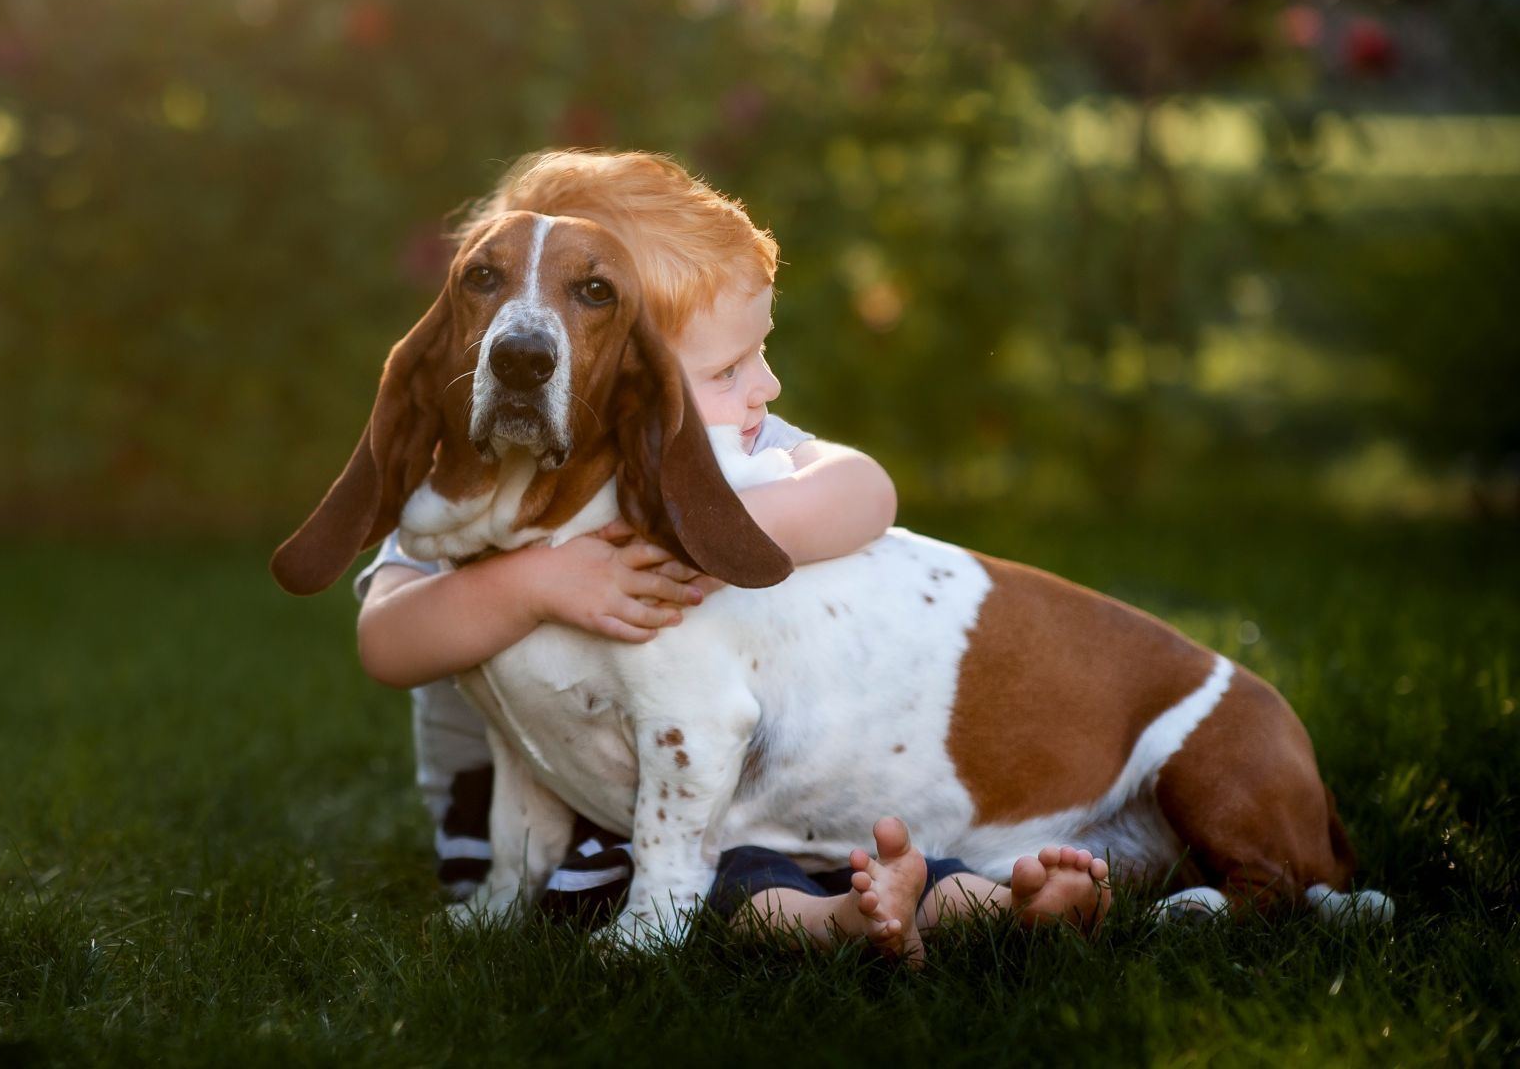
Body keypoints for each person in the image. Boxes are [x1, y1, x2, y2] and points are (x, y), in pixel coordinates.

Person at [355, 150, 1111, 959]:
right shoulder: (462, 500)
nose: (766, 387)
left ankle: (962, 897)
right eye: (727, 368)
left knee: (777, 861)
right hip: (559, 816)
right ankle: (874, 916)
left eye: (759, 352)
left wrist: (702, 530)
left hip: (735, 801)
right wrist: (538, 582)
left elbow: (866, 493)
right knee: (718, 887)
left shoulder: (730, 450)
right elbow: (387, 641)